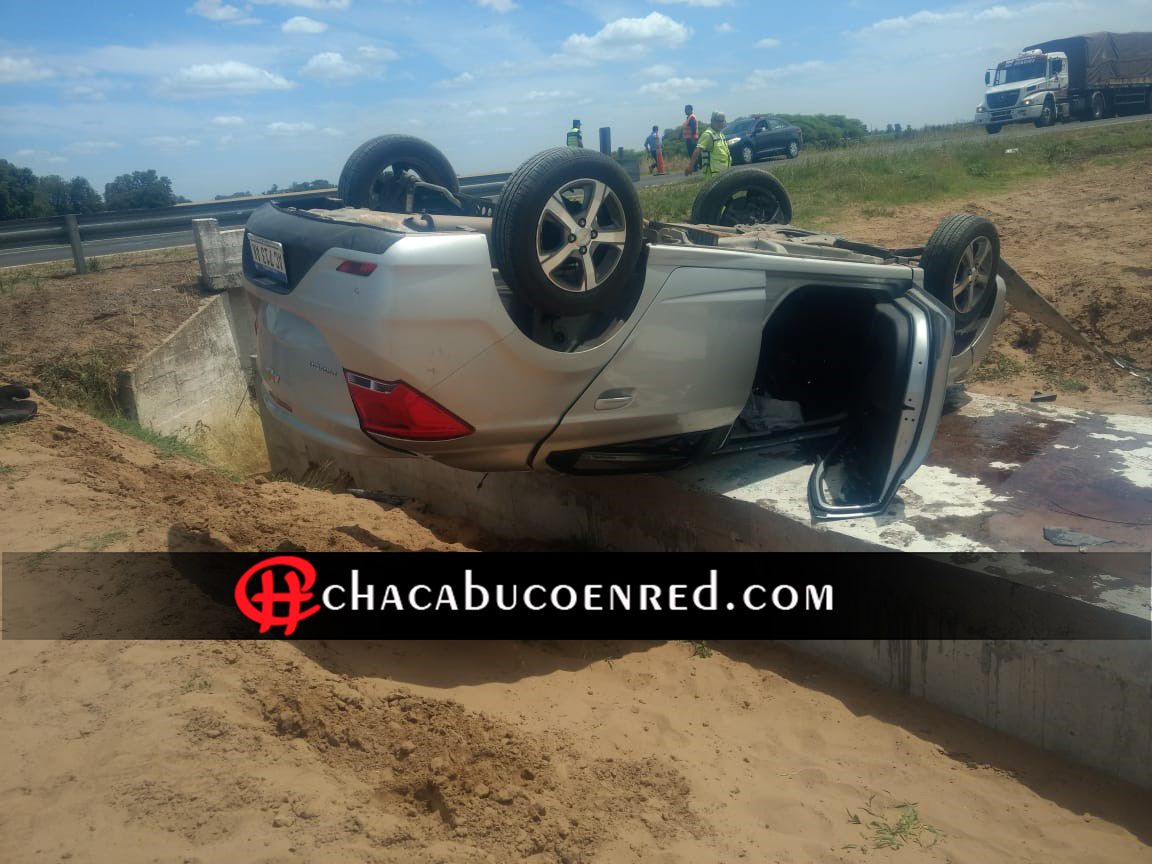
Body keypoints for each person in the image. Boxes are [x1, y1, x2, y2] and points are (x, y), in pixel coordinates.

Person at [687, 111, 732, 177]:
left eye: (722, 121)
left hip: (724, 172)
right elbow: (697, 150)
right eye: (718, 121)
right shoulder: (708, 135)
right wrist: (690, 166)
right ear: (712, 121)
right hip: (713, 174)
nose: (720, 124)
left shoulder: (721, 134)